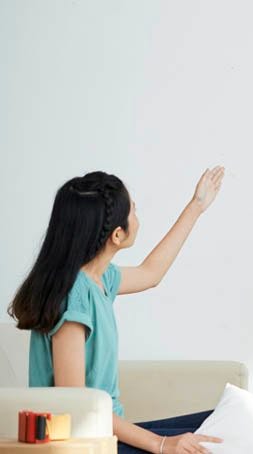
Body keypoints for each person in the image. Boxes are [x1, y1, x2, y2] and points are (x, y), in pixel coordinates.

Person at [9, 168, 226, 453]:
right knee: (216, 443)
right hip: (87, 444)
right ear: (117, 234)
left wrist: (196, 207)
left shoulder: (99, 279)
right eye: (133, 210)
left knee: (221, 425)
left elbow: (151, 272)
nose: (137, 214)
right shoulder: (73, 299)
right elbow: (76, 406)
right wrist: (161, 444)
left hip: (104, 434)